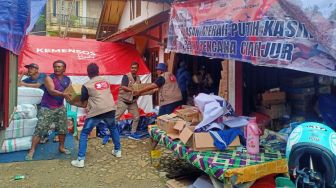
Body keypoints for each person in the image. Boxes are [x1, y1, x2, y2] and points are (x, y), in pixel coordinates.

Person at [68, 63, 121, 168]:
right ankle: (117, 151)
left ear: (88, 73)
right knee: (113, 128)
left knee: (84, 133)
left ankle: (80, 160)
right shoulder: (106, 81)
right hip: (110, 108)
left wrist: (71, 102)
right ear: (98, 71)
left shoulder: (86, 85)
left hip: (96, 111)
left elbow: (84, 104)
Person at [26, 60, 71, 160]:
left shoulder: (68, 79)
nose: (57, 68)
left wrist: (76, 101)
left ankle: (61, 147)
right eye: (55, 66)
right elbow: (51, 91)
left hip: (60, 107)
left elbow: (69, 92)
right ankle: (32, 150)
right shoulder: (48, 78)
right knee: (40, 128)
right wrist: (64, 94)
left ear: (64, 69)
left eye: (59, 67)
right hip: (47, 107)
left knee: (63, 128)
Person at [18, 63, 50, 144]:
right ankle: (39, 136)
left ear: (36, 69)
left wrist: (24, 84)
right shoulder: (29, 79)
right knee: (38, 120)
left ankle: (45, 136)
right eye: (28, 68)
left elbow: (38, 85)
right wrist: (22, 74)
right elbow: (18, 84)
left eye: (31, 68)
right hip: (35, 103)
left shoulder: (42, 76)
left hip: (46, 101)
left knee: (43, 119)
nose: (29, 70)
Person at [116, 62, 141, 140]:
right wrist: (132, 90)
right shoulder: (126, 76)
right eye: (132, 67)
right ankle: (109, 132)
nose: (134, 69)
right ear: (130, 68)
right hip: (123, 100)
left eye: (135, 68)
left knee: (137, 117)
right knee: (116, 117)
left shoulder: (138, 78)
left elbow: (139, 88)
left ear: (137, 69)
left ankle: (133, 133)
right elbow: (123, 86)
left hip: (132, 102)